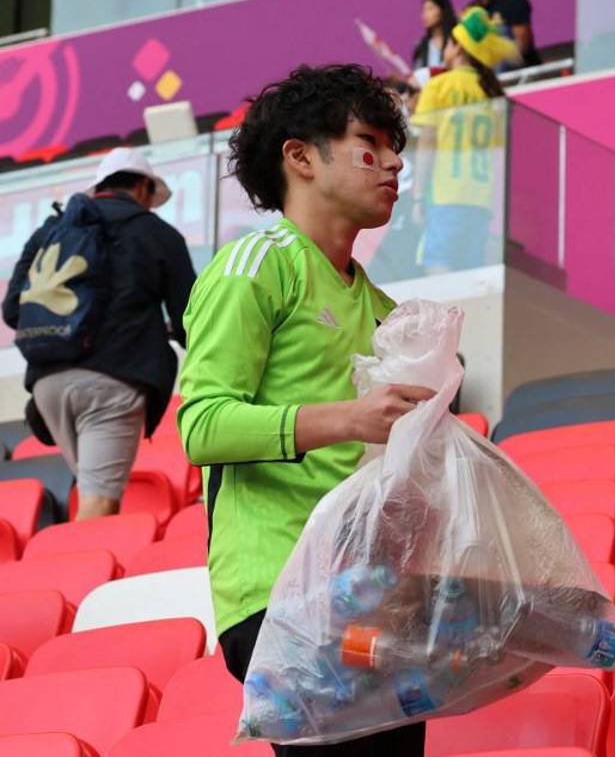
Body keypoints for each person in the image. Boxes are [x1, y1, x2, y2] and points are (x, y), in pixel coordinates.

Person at [176, 64, 434, 756]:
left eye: (394, 145)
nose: (393, 161)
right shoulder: (256, 264)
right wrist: (347, 418)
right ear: (300, 157)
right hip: (283, 594)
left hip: (370, 591)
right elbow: (200, 427)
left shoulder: (386, 310)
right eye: (368, 142)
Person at [2, 148, 195, 520]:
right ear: (142, 187)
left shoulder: (49, 231)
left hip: (46, 385)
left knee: (91, 492)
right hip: (113, 383)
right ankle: (74, 577)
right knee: (99, 504)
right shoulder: (157, 232)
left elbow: (12, 310)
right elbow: (191, 318)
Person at [410, 7, 516, 274]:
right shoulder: (492, 94)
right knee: (469, 274)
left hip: (446, 196)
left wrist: (419, 197)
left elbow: (426, 145)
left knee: (438, 267)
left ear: (456, 48)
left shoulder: (439, 86)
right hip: (481, 200)